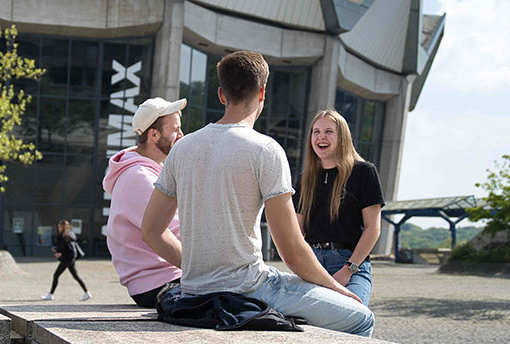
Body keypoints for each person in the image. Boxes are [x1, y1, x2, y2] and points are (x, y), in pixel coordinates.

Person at [141, 51, 375, 337]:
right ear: (262, 92)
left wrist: (200, 269)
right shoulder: (265, 149)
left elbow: (151, 230)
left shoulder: (183, 148)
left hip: (193, 291)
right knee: (361, 318)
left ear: (221, 94)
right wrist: (336, 288)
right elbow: (291, 251)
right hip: (251, 287)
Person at [295, 110, 384, 306]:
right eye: (316, 132)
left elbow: (373, 229)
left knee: (355, 315)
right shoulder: (305, 179)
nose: (321, 137)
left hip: (350, 262)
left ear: (342, 137)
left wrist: (348, 269)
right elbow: (296, 230)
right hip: (313, 262)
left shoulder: (363, 172)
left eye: (329, 131)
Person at [103, 97, 185, 308]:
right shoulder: (140, 177)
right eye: (175, 129)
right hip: (160, 283)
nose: (181, 135)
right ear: (154, 134)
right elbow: (178, 232)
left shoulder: (144, 171)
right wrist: (209, 270)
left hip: (159, 280)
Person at [41, 220, 91, 301]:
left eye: (59, 226)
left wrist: (61, 254)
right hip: (70, 259)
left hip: (67, 259)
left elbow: (70, 249)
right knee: (76, 276)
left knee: (56, 275)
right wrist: (58, 250)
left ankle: (50, 294)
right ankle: (87, 293)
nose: (58, 228)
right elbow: (65, 248)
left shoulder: (65, 236)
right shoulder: (68, 235)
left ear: (63, 227)